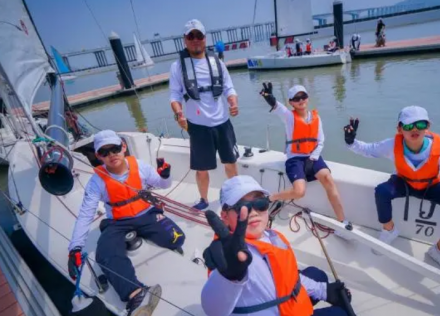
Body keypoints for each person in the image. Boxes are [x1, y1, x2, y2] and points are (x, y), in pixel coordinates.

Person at [343, 106, 440, 276]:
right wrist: (351, 141)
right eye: (409, 126)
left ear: (428, 126)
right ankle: (389, 230)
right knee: (382, 191)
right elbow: (368, 149)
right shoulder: (391, 145)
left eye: (420, 124)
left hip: (431, 185)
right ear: (399, 129)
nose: (415, 129)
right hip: (404, 182)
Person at [67, 130, 186, 316]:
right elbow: (85, 215)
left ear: (123, 147)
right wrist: (74, 248)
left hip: (147, 213)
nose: (111, 155)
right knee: (104, 255)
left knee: (177, 239)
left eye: (114, 148)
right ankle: (136, 295)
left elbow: (163, 185)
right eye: (104, 152)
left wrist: (165, 176)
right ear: (98, 155)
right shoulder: (96, 181)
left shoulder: (139, 166)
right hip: (117, 222)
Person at [201, 175, 352, 316]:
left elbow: (288, 276)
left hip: (286, 301)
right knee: (341, 313)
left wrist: (323, 291)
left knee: (317, 274)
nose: (253, 212)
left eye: (260, 203)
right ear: (225, 217)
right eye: (242, 208)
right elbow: (213, 310)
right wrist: (229, 278)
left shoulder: (270, 236)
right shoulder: (228, 255)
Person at [259, 82, 349, 238]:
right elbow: (278, 108)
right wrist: (270, 98)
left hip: (313, 155)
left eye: (303, 96)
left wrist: (313, 157)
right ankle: (270, 198)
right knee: (299, 192)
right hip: (295, 159)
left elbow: (320, 140)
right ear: (291, 102)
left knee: (327, 178)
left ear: (307, 98)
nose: (301, 100)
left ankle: (342, 222)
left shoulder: (316, 117)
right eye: (296, 98)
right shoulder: (289, 117)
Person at [170, 19, 240, 210]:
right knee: (201, 170)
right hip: (198, 126)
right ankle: (204, 199)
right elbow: (174, 94)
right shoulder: (177, 67)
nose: (195, 40)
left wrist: (233, 101)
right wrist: (178, 113)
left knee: (231, 163)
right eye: (190, 36)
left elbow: (228, 87)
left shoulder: (217, 62)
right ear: (185, 40)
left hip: (222, 123)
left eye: (198, 35)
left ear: (205, 38)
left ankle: (236, 194)